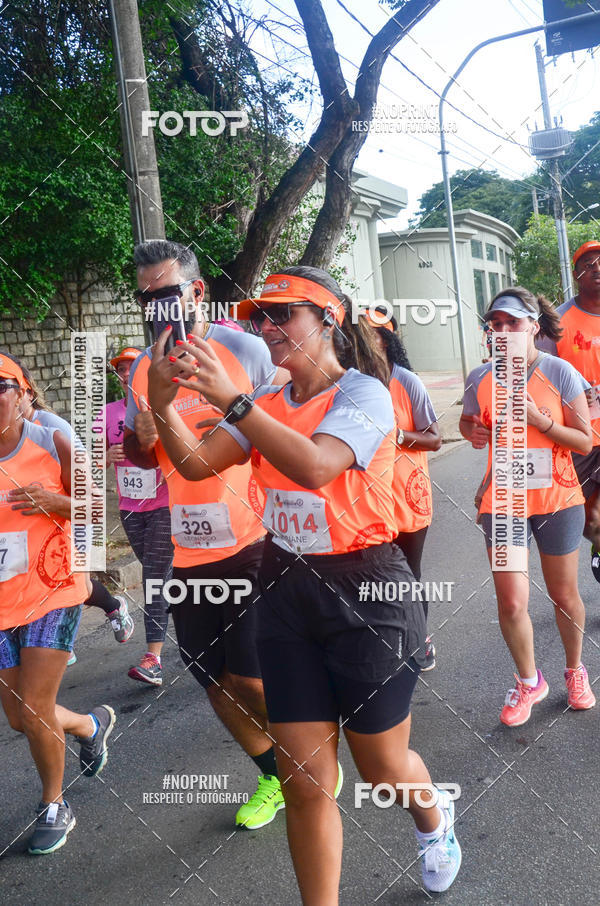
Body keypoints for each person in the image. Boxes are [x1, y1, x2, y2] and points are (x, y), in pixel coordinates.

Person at [147, 265, 462, 898]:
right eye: (258, 316)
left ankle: (433, 818)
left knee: (380, 767)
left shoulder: (364, 395)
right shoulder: (265, 402)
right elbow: (195, 463)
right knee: (305, 781)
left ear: (328, 319)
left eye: (281, 313)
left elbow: (318, 466)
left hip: (368, 589)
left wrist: (233, 403)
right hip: (284, 587)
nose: (266, 326)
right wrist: (159, 402)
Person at [123, 239, 289, 829]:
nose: (154, 307)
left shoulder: (246, 349)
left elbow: (291, 426)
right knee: (212, 679)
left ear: (196, 292)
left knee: (249, 675)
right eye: (144, 298)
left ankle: (311, 758)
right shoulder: (145, 366)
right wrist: (141, 437)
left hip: (257, 536)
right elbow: (142, 460)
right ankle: (275, 774)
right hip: (188, 546)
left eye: (164, 293)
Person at [460, 288, 596, 727]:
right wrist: (473, 433)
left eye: (512, 323)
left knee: (563, 595)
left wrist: (544, 423)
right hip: (504, 503)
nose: (502, 331)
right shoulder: (480, 377)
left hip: (557, 500)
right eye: (494, 324)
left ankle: (575, 670)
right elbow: (468, 420)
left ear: (534, 327)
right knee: (512, 602)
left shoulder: (559, 372)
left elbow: (585, 440)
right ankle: (528, 681)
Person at [0, 354, 115, 854]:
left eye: (0, 385)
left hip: (53, 589)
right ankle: (91, 725)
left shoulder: (54, 441)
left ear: (24, 394)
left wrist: (58, 504)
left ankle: (54, 805)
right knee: (20, 717)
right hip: (3, 602)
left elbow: (94, 507)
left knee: (34, 705)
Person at [4, 353, 134, 663]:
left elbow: (85, 482)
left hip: (71, 517)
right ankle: (111, 607)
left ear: (26, 393)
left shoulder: (50, 429)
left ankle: (64, 637)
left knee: (74, 580)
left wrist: (56, 503)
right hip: (28, 533)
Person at [365, 311, 440, 669]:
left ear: (386, 339)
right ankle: (387, 638)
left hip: (408, 498)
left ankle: (420, 638)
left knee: (409, 574)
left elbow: (435, 438)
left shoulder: (406, 381)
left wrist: (396, 435)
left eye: (372, 334)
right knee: (374, 575)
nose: (364, 340)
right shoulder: (350, 383)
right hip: (367, 501)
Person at [104, 347, 173, 685]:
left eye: (133, 368)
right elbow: (85, 465)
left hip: (164, 503)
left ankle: (153, 658)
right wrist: (107, 455)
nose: (126, 374)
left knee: (154, 578)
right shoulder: (106, 414)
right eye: (121, 370)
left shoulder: (162, 404)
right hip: (130, 508)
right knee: (159, 575)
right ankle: (188, 612)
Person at [537, 241, 600, 581]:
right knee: (592, 521)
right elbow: (538, 374)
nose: (597, 268)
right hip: (580, 438)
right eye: (588, 264)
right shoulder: (558, 322)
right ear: (576, 274)